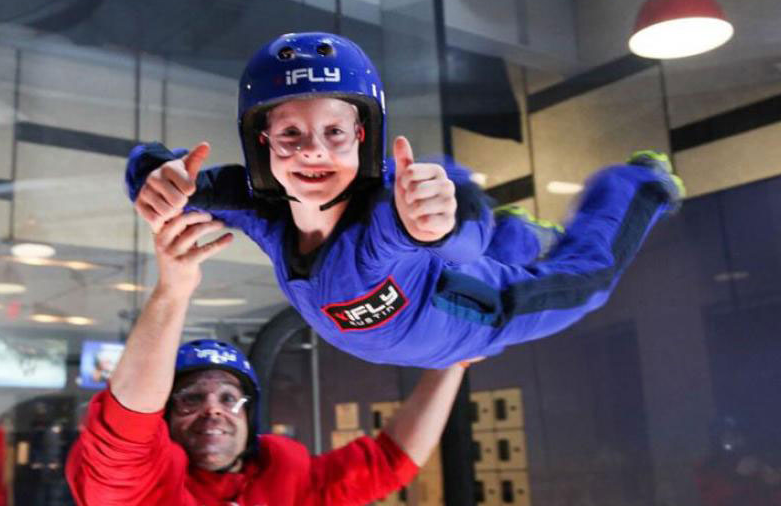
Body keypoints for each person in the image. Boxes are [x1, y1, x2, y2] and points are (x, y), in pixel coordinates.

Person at [126, 32, 684, 368]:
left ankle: (637, 185)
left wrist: (437, 223)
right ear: (263, 142)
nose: (312, 152)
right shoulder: (262, 206)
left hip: (477, 315)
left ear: (363, 135)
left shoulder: (389, 217)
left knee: (587, 282)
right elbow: (173, 182)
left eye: (335, 133)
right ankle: (519, 232)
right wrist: (154, 175)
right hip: (426, 329)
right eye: (291, 134)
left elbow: (460, 227)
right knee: (497, 243)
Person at [65, 211, 477, 506]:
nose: (213, 410)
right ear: (164, 418)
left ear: (250, 416)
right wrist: (172, 291)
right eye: (190, 398)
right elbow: (124, 431)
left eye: (229, 398)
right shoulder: (138, 489)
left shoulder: (287, 479)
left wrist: (454, 360)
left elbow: (390, 462)